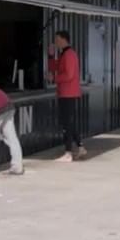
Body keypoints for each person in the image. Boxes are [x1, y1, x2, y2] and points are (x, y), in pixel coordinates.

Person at [49, 31, 85, 162]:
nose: (56, 42)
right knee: (68, 122)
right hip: (66, 92)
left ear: (64, 40)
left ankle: (68, 152)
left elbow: (69, 75)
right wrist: (50, 56)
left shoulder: (69, 54)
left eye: (57, 39)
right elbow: (55, 66)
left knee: (67, 123)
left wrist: (54, 79)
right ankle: (80, 147)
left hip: (68, 92)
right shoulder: (65, 54)